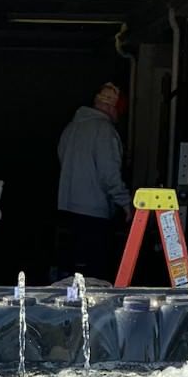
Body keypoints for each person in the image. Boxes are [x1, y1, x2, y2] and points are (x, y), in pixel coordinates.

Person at [56, 82, 132, 281]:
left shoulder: (72, 126)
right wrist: (126, 203)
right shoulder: (104, 130)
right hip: (94, 213)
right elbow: (109, 174)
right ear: (111, 108)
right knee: (95, 278)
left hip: (67, 209)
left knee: (71, 274)